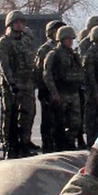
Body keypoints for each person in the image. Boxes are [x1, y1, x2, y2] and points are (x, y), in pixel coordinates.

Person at [0, 10, 36, 159]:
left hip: (27, 82)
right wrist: (11, 83)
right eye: (17, 22)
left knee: (28, 114)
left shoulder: (26, 40)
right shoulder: (4, 42)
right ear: (11, 24)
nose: (20, 25)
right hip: (12, 84)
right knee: (9, 116)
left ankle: (24, 144)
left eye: (22, 22)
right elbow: (4, 65)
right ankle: (9, 146)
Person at [42, 26, 85, 152]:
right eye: (67, 39)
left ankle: (70, 143)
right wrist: (54, 93)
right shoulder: (53, 55)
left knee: (76, 123)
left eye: (71, 39)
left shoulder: (74, 55)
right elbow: (47, 74)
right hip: (61, 92)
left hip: (73, 92)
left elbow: (80, 72)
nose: (70, 42)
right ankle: (59, 147)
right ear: (61, 39)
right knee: (58, 124)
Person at [35, 20, 66, 153]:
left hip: (61, 90)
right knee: (48, 120)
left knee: (60, 120)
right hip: (47, 90)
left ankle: (58, 145)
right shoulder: (45, 49)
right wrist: (44, 89)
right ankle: (47, 146)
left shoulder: (63, 49)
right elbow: (39, 70)